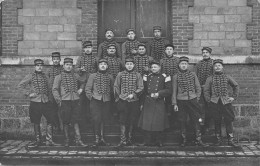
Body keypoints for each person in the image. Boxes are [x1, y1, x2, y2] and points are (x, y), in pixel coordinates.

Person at [18, 59, 58, 147]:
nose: (39, 67)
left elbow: (49, 88)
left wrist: (49, 99)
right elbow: (21, 85)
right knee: (36, 121)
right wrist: (28, 93)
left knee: (51, 119)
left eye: (41, 65)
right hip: (35, 102)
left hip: (45, 101)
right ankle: (38, 141)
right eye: (37, 65)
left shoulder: (45, 76)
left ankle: (49, 140)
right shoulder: (30, 76)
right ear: (35, 66)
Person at [172, 56, 208, 147]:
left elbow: (198, 88)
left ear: (187, 65)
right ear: (179, 65)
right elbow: (174, 91)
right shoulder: (175, 76)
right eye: (181, 64)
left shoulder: (193, 74)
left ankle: (198, 139)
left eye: (185, 64)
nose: (183, 66)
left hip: (192, 100)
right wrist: (175, 103)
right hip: (181, 101)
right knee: (182, 120)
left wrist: (197, 98)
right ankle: (184, 140)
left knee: (196, 119)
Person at [204, 59, 239, 147]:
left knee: (229, 120)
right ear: (213, 68)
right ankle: (218, 140)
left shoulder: (227, 77)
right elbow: (206, 91)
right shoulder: (210, 78)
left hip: (226, 103)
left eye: (219, 65)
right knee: (217, 120)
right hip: (215, 103)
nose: (217, 67)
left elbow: (236, 86)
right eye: (215, 66)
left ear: (222, 67)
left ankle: (230, 140)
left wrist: (233, 97)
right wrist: (209, 100)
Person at [52, 58, 86, 147]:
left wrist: (81, 89)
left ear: (72, 66)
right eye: (67, 65)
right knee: (66, 121)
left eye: (70, 65)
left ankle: (78, 140)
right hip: (65, 102)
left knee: (75, 120)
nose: (68, 66)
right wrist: (59, 101)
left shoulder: (76, 76)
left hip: (75, 101)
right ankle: (67, 140)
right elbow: (55, 89)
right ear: (63, 66)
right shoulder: (58, 77)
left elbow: (83, 82)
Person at [138, 60, 171, 147]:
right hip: (148, 101)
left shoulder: (165, 76)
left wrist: (159, 94)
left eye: (155, 67)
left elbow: (169, 90)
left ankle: (159, 141)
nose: (153, 69)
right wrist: (141, 103)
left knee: (158, 122)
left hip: (159, 101)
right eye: (152, 67)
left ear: (159, 68)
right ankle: (147, 141)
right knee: (147, 122)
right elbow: (144, 91)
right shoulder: (146, 76)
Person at [114, 57, 144, 146]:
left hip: (134, 101)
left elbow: (141, 87)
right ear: (125, 65)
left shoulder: (138, 75)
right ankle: (123, 140)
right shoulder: (120, 74)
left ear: (134, 65)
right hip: (123, 101)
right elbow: (116, 87)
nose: (129, 66)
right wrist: (119, 98)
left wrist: (134, 94)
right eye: (127, 64)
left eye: (131, 64)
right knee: (122, 120)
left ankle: (130, 139)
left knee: (132, 120)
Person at [85, 59, 114, 147]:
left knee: (104, 119)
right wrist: (92, 98)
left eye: (105, 64)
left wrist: (110, 98)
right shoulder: (93, 76)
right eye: (101, 64)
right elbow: (88, 89)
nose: (102, 65)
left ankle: (102, 138)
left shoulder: (110, 76)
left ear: (107, 66)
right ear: (98, 66)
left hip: (106, 101)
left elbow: (112, 89)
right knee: (96, 119)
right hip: (95, 101)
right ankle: (96, 138)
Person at [75, 41, 98, 123]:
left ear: (92, 48)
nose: (87, 49)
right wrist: (80, 70)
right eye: (86, 48)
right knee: (82, 103)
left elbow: (99, 70)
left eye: (89, 48)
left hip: (93, 84)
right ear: (83, 49)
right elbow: (76, 69)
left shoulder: (96, 58)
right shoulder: (80, 58)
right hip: (82, 83)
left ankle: (92, 121)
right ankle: (83, 122)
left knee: (92, 103)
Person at [195, 47, 214, 134]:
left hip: (210, 90)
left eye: (206, 52)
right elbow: (196, 76)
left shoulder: (213, 63)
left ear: (210, 53)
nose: (205, 54)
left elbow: (214, 77)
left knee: (209, 108)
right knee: (200, 108)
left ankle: (207, 126)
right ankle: (201, 126)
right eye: (203, 52)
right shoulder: (199, 64)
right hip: (200, 89)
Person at [160, 44, 179, 118]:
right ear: (165, 51)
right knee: (167, 101)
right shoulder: (162, 60)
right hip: (166, 83)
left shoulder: (177, 60)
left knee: (175, 100)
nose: (169, 51)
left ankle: (176, 120)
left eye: (170, 49)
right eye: (167, 49)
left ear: (173, 51)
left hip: (175, 82)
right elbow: (160, 72)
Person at [47, 52, 63, 132]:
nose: (56, 61)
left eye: (57, 59)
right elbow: (47, 81)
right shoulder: (49, 70)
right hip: (51, 94)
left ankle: (62, 128)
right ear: (52, 60)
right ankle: (56, 127)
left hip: (60, 93)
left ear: (60, 59)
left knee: (61, 111)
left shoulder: (63, 69)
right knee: (53, 111)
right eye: (54, 59)